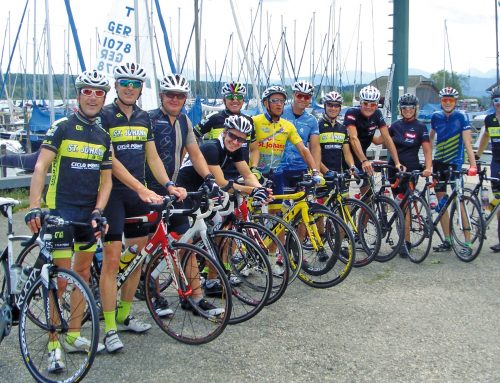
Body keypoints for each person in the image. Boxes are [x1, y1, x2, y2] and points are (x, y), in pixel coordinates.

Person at [24, 70, 112, 371]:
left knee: (83, 275)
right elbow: (40, 167)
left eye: (98, 92)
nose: (92, 96)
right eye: (87, 90)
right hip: (60, 212)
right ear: (79, 94)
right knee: (61, 280)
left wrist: (99, 210)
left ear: (104, 97)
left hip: (87, 215)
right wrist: (34, 206)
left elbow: (107, 181)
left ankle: (73, 335)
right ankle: (52, 343)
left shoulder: (103, 135)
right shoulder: (62, 126)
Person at [99, 62, 186, 353]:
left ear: (141, 89)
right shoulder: (104, 115)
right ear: (115, 85)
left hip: (138, 195)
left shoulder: (142, 117)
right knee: (113, 260)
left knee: (135, 256)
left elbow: (153, 158)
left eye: (135, 84)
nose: (129, 87)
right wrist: (140, 187)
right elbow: (109, 160)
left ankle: (124, 315)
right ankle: (109, 327)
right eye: (124, 82)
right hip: (112, 194)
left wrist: (168, 184)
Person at [175, 115, 271, 303]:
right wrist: (251, 191)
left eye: (241, 139)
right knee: (188, 243)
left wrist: (260, 189)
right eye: (232, 136)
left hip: (203, 193)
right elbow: (221, 183)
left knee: (221, 230)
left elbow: (247, 174)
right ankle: (187, 287)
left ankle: (211, 281)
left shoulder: (234, 149)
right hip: (186, 192)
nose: (236, 142)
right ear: (224, 132)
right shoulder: (211, 148)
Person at [145, 73, 212, 316]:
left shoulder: (184, 121)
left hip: (171, 190)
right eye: (170, 94)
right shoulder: (149, 119)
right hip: (146, 189)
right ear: (161, 95)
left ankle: (196, 296)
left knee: (185, 240)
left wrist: (209, 178)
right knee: (148, 245)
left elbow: (195, 154)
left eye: (180, 95)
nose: (175, 99)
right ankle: (153, 293)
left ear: (185, 99)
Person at [249, 85, 320, 204]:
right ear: (266, 103)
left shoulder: (288, 125)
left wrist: (315, 171)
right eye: (274, 101)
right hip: (256, 174)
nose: (279, 104)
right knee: (255, 215)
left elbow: (303, 149)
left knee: (276, 214)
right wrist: (252, 169)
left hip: (276, 175)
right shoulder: (254, 121)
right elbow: (248, 148)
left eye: (281, 101)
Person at [430, 86, 477, 252]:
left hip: (455, 164)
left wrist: (473, 165)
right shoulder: (435, 117)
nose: (448, 103)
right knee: (442, 204)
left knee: (460, 202)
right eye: (444, 100)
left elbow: (467, 143)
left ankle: (468, 242)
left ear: (455, 102)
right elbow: (430, 140)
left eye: (450, 100)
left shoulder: (462, 117)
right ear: (441, 101)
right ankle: (448, 240)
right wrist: (428, 163)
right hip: (439, 164)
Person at [386, 93, 433, 258]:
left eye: (411, 107)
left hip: (411, 171)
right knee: (399, 205)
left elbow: (427, 150)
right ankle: (402, 240)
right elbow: (380, 140)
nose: (407, 110)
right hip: (394, 170)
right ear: (400, 109)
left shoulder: (421, 127)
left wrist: (428, 167)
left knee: (405, 206)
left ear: (415, 109)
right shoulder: (395, 125)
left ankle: (405, 242)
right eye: (404, 107)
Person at [344, 85, 405, 189]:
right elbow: (353, 138)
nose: (369, 106)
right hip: (346, 154)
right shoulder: (352, 112)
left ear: (377, 105)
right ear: (360, 103)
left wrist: (397, 162)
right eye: (365, 103)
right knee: (343, 193)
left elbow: (386, 138)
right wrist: (364, 161)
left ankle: (365, 204)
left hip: (361, 153)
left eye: (372, 104)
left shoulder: (377, 114)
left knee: (368, 192)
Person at [194, 81, 254, 180]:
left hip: (240, 173)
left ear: (243, 100)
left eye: (239, 97)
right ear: (224, 100)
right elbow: (192, 137)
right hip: (218, 172)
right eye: (230, 97)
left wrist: (254, 167)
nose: (235, 100)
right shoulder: (214, 117)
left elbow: (254, 148)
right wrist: (198, 157)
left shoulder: (249, 120)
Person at [277, 80, 321, 188]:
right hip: (279, 167)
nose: (302, 99)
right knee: (280, 203)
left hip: (301, 168)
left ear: (310, 99)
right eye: (299, 95)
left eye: (306, 97)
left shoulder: (312, 120)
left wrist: (316, 171)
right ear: (293, 95)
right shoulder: (280, 113)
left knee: (301, 204)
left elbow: (315, 148)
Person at [475, 87, 500, 252]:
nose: (499, 104)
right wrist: (477, 156)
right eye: (496, 101)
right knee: (497, 198)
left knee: (498, 201)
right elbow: (485, 137)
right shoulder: (490, 119)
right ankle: (485, 214)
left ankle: (484, 214)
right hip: (496, 162)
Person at [317, 91, 356, 176]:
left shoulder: (342, 128)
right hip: (322, 174)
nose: (333, 108)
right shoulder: (317, 126)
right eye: (330, 105)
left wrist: (352, 166)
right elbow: (314, 154)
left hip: (340, 174)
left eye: (336, 105)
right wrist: (326, 171)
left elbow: (347, 153)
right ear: (325, 106)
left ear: (340, 108)